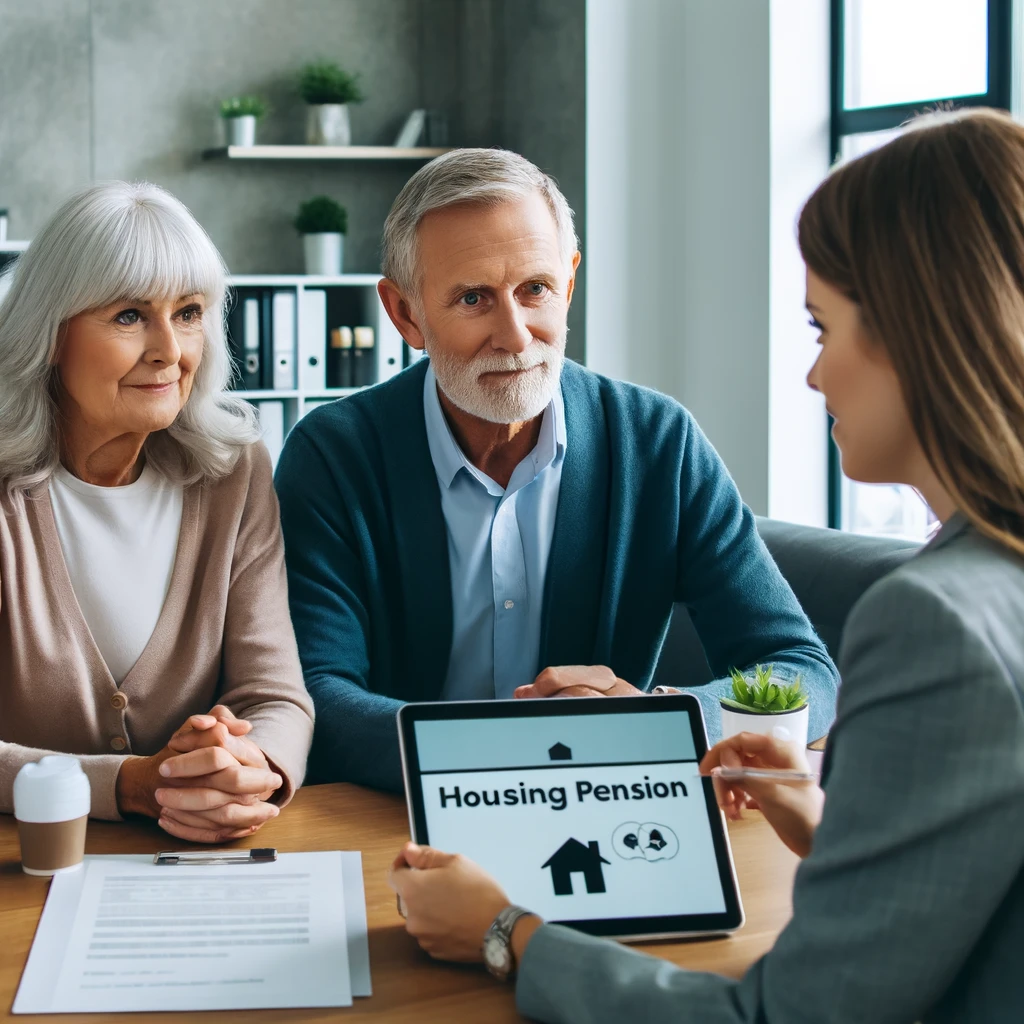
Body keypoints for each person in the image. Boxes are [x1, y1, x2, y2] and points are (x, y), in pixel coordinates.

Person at [387, 109, 1024, 1022]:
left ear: (922, 336)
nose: (813, 379)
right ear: (406, 311)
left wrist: (505, 932)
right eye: (473, 298)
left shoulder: (937, 619)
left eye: (821, 330)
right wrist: (827, 823)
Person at [276, 148, 838, 792]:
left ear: (569, 282)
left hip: (610, 806)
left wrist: (658, 722)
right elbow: (316, 692)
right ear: (406, 314)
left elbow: (800, 669)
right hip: (400, 820)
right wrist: (515, 752)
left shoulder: (660, 442)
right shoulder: (332, 454)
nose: (515, 335)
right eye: (472, 298)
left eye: (534, 289)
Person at [0, 181, 314, 844]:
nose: (170, 350)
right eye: (128, 316)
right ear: (50, 335)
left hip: (196, 868)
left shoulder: (235, 470)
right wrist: (128, 785)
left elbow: (276, 696)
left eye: (190, 312)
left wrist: (245, 765)